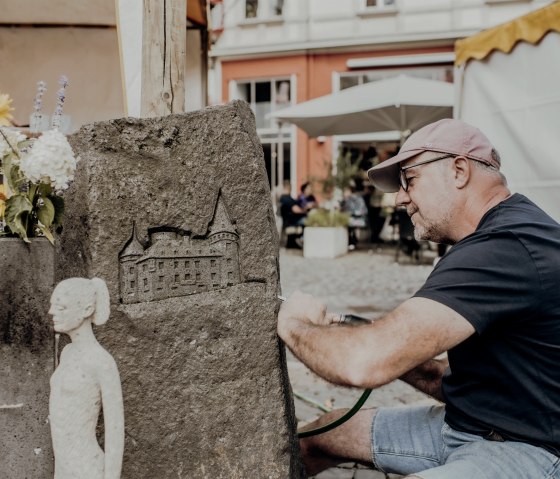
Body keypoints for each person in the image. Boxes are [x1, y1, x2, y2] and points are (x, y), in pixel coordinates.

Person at [278, 119, 560, 478]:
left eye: (410, 181)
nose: (400, 198)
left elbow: (361, 364)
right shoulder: (497, 236)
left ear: (459, 170)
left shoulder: (505, 248)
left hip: (529, 450)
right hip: (466, 426)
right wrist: (397, 351)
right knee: (318, 436)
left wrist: (294, 323)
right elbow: (468, 380)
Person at [49, 277, 124, 479]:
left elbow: (115, 433)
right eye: (52, 306)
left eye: (61, 307)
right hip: (63, 470)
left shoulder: (102, 363)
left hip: (87, 470)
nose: (51, 312)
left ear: (87, 309)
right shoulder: (67, 353)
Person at [341, 184, 368, 250]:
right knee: (349, 228)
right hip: (351, 218)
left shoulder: (355, 198)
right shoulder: (346, 199)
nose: (345, 193)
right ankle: (351, 242)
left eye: (346, 191)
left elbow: (361, 210)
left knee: (350, 227)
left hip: (356, 218)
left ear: (350, 191)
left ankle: (352, 242)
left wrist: (351, 213)